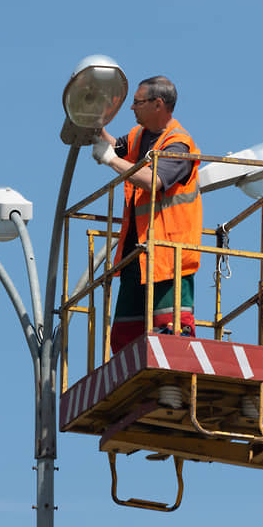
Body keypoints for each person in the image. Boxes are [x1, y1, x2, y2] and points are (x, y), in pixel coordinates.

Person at [91, 76, 202, 354]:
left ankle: (172, 390)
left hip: (168, 257)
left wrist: (111, 160)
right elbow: (115, 146)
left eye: (138, 102)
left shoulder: (179, 144)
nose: (132, 108)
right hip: (137, 255)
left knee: (170, 332)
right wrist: (94, 126)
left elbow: (154, 181)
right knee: (126, 336)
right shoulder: (140, 136)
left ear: (158, 104)